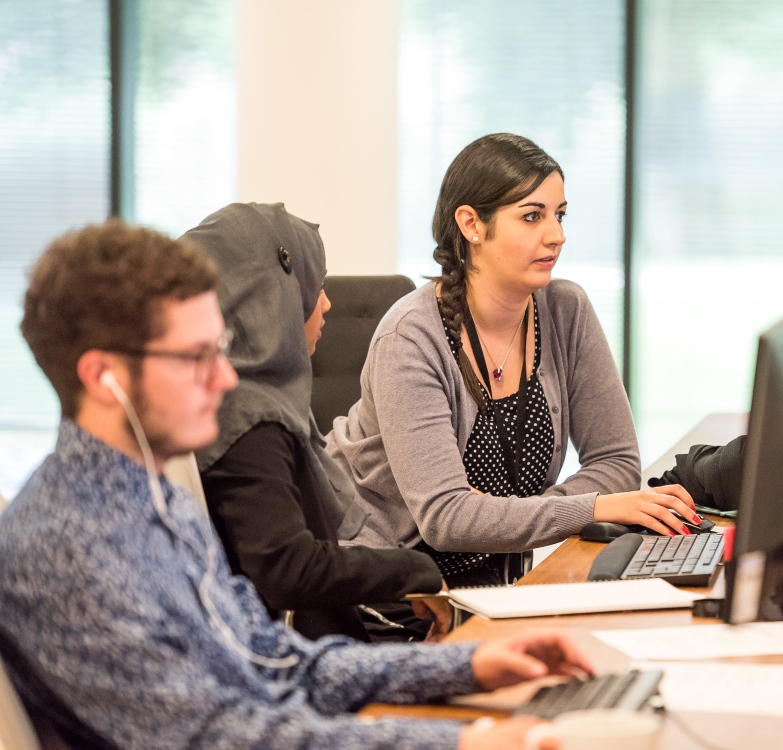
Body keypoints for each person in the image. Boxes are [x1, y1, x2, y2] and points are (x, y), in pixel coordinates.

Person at [0, 219, 591, 749]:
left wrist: (468, 667)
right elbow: (221, 735)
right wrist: (459, 742)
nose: (226, 376)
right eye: (195, 356)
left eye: (222, 349)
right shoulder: (68, 545)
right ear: (105, 377)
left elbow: (276, 661)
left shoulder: (155, 503)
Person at [327, 133, 698, 587]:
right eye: (531, 216)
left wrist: (503, 515)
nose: (557, 235)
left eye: (559, 215)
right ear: (471, 225)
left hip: (498, 581)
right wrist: (590, 506)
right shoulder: (411, 338)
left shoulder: (565, 310)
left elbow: (617, 462)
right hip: (393, 589)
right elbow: (446, 518)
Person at [184, 202, 448, 642]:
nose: (326, 303)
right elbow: (287, 569)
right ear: (272, 296)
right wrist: (413, 570)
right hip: (300, 662)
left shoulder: (239, 401)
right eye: (315, 285)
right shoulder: (250, 420)